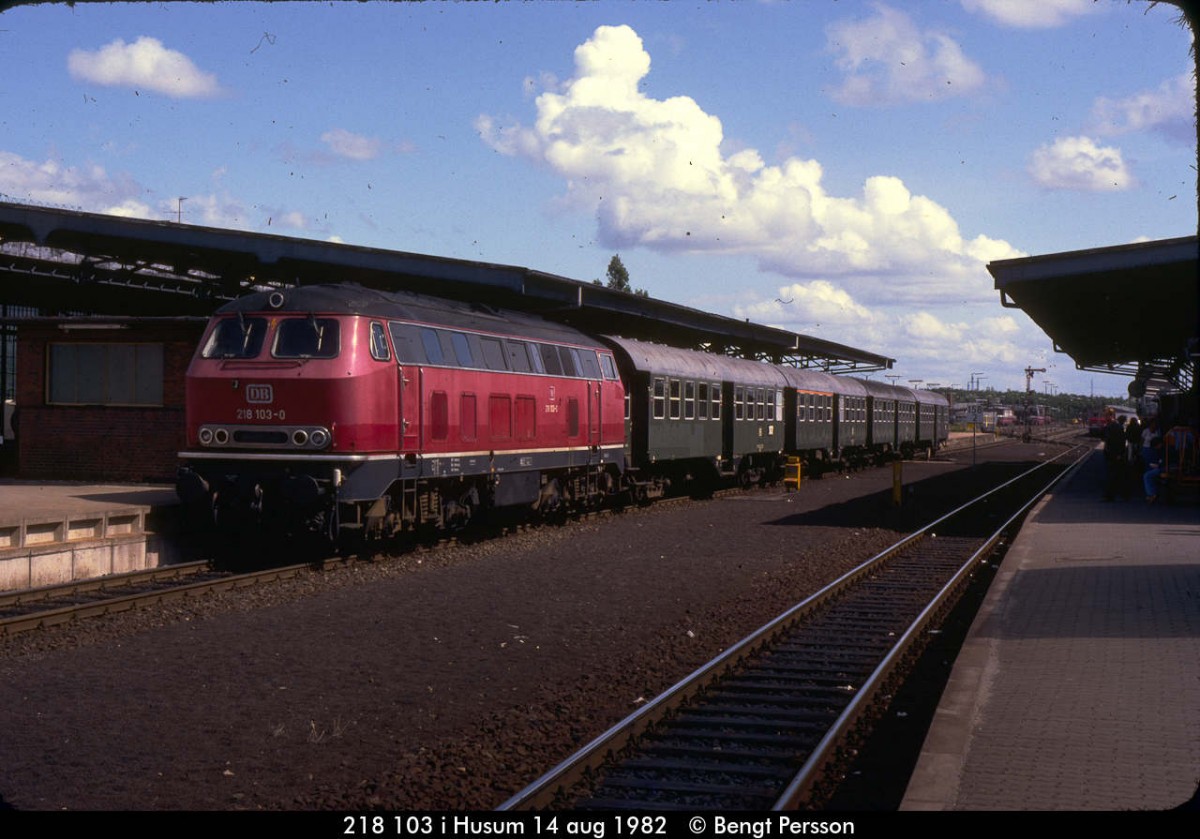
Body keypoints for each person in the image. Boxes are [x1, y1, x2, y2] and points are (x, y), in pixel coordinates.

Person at [1102, 414, 1128, 501]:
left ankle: (1109, 495)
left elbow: (1106, 439)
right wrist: (1121, 454)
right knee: (1117, 475)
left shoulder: (1110, 426)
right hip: (1116, 454)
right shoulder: (1119, 428)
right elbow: (1121, 442)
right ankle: (1118, 495)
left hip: (1110, 453)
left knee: (1111, 474)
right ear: (1123, 421)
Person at [1143, 435, 1165, 503]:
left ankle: (1152, 494)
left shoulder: (1163, 450)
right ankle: (1152, 493)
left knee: (1147, 476)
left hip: (1164, 467)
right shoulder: (1155, 451)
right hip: (1161, 467)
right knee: (1149, 474)